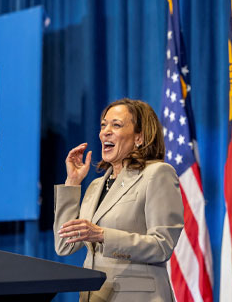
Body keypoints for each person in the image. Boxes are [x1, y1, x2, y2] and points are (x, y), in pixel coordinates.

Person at [54, 98, 184, 302]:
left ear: (139, 137)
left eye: (116, 125)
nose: (105, 131)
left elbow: (162, 246)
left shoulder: (157, 174)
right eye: (103, 125)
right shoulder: (96, 186)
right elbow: (64, 246)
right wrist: (72, 182)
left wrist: (103, 234)